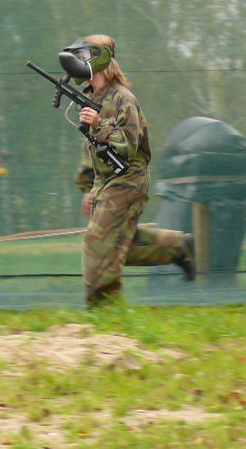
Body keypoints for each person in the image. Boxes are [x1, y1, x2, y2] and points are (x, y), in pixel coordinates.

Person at [61, 34, 195, 306]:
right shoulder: (92, 97)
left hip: (128, 179)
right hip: (105, 182)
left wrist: (98, 124)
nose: (79, 62)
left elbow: (128, 146)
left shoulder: (123, 99)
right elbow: (91, 146)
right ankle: (178, 247)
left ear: (100, 60)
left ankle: (105, 311)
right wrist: (87, 187)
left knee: (97, 243)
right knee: (121, 245)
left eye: (83, 56)